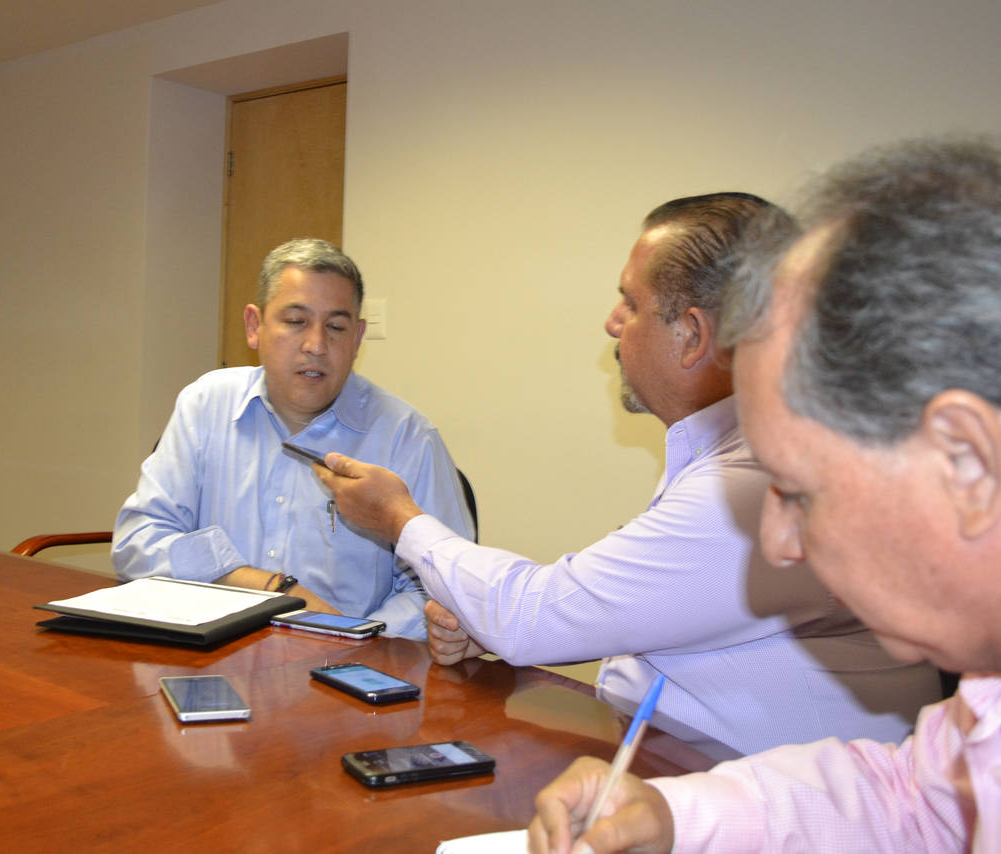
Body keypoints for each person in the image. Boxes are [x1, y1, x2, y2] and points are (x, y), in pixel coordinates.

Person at [528, 138, 1001, 853]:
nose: (779, 542)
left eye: (800, 492)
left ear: (968, 462)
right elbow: (920, 801)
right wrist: (675, 815)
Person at [314, 194, 940, 756]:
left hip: (758, 805)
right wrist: (486, 624)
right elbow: (612, 613)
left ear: (692, 335)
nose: (613, 323)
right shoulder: (734, 446)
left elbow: (536, 616)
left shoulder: (758, 484)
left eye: (632, 303)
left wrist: (401, 520)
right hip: (671, 763)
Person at [111, 238, 474, 640]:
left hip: (341, 668)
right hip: (210, 656)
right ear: (255, 326)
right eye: (296, 321)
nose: (316, 345)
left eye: (336, 327)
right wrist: (268, 586)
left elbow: (444, 591)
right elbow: (138, 541)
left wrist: (351, 638)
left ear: (357, 338)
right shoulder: (206, 405)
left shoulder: (407, 438)